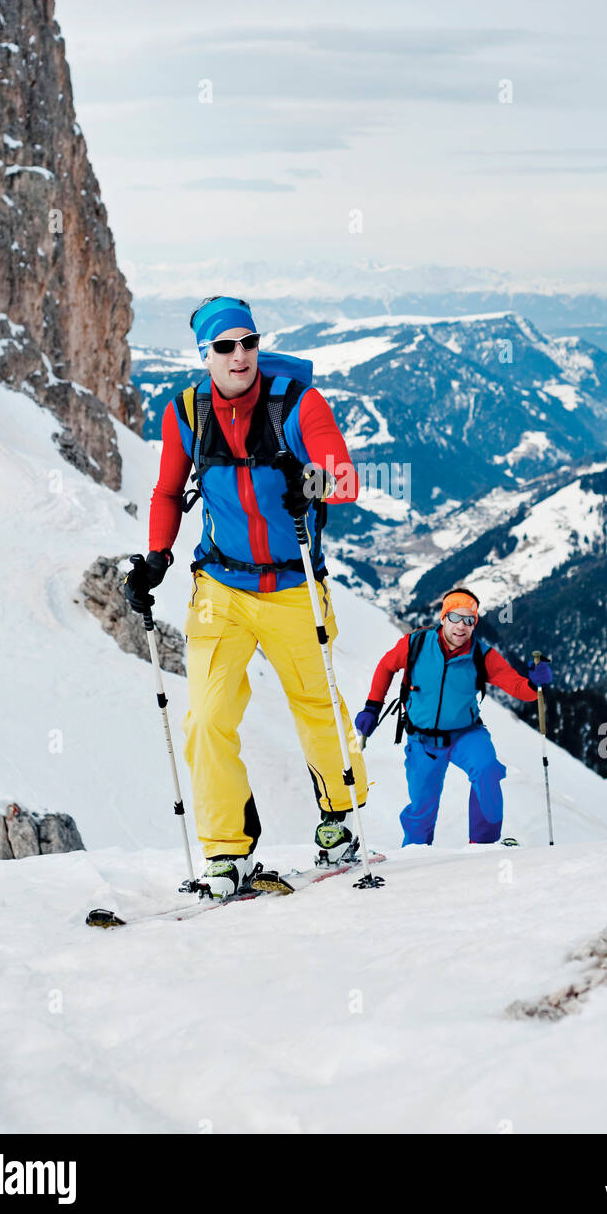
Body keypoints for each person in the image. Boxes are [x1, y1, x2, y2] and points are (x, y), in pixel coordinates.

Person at [124, 295, 368, 898]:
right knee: (207, 717)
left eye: (249, 341)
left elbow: (344, 481)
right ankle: (226, 850)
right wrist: (156, 558)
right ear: (204, 354)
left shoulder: (297, 402)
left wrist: (308, 480)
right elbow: (167, 492)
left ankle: (339, 819)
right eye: (225, 345)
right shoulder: (186, 412)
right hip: (220, 588)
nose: (240, 355)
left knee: (316, 705)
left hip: (294, 585)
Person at [354, 587, 553, 845]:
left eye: (469, 620)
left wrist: (535, 684)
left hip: (466, 734)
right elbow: (386, 666)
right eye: (455, 617)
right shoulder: (415, 644)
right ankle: (416, 853)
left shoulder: (482, 655)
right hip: (422, 740)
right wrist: (372, 707)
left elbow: (518, 687)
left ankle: (483, 844)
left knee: (487, 769)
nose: (461, 626)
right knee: (421, 808)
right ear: (443, 617)